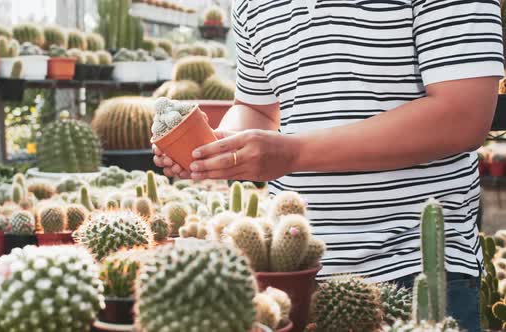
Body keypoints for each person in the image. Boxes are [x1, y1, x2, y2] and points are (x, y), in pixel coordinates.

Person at [153, 1, 503, 330]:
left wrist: (293, 154)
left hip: (417, 272)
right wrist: (220, 146)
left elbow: (464, 115)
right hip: (298, 271)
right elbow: (258, 107)